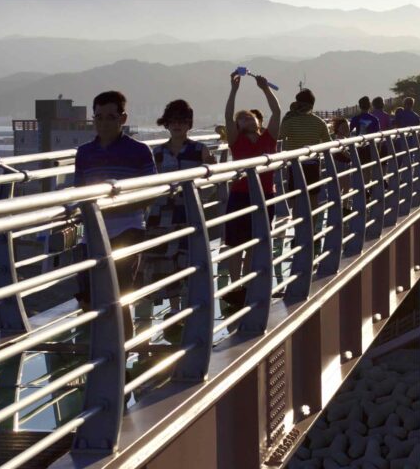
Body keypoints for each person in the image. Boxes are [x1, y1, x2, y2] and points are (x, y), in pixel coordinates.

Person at [74, 90, 156, 341]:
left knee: (119, 297)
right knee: (87, 298)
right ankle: (98, 354)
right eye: (98, 117)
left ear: (123, 118)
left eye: (110, 117)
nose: (103, 123)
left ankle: (122, 357)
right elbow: (79, 192)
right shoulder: (85, 152)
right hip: (93, 233)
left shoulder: (140, 151)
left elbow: (151, 192)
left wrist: (118, 203)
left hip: (127, 229)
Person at [141, 100, 216, 316]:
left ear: (189, 124)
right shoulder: (157, 152)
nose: (177, 125)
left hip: (188, 214)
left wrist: (210, 171)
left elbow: (211, 181)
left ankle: (187, 309)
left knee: (188, 260)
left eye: (182, 121)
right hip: (160, 216)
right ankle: (174, 311)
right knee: (165, 263)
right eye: (173, 121)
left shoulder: (199, 150)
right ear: (166, 123)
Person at [224, 71, 282, 301]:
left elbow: (277, 112)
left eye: (250, 117)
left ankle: (246, 284)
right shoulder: (236, 141)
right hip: (240, 195)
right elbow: (228, 116)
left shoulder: (270, 138)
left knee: (255, 243)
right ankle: (235, 285)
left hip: (265, 195)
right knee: (236, 244)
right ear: (237, 125)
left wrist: (265, 89)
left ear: (258, 121)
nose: (246, 119)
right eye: (243, 118)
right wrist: (234, 90)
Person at [279, 89, 331, 206]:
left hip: (295, 164)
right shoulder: (319, 122)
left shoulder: (290, 120)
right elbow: (328, 143)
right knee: (313, 198)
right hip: (313, 163)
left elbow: (279, 135)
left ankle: (298, 222)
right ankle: (311, 223)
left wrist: (287, 117)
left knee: (296, 199)